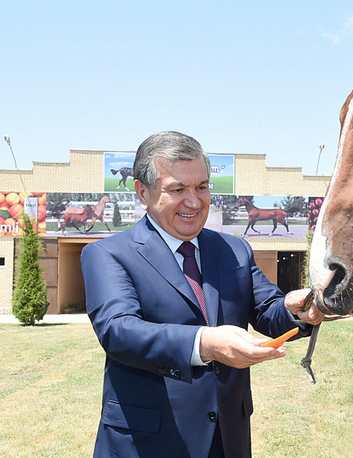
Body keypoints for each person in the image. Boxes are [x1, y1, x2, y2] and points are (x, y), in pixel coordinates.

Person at [81, 131, 324, 457]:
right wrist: (206, 344)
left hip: (227, 439)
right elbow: (119, 331)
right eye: (177, 189)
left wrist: (298, 309)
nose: (194, 201)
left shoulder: (234, 250)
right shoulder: (107, 254)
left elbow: (268, 309)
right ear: (142, 192)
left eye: (202, 187)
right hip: (147, 443)